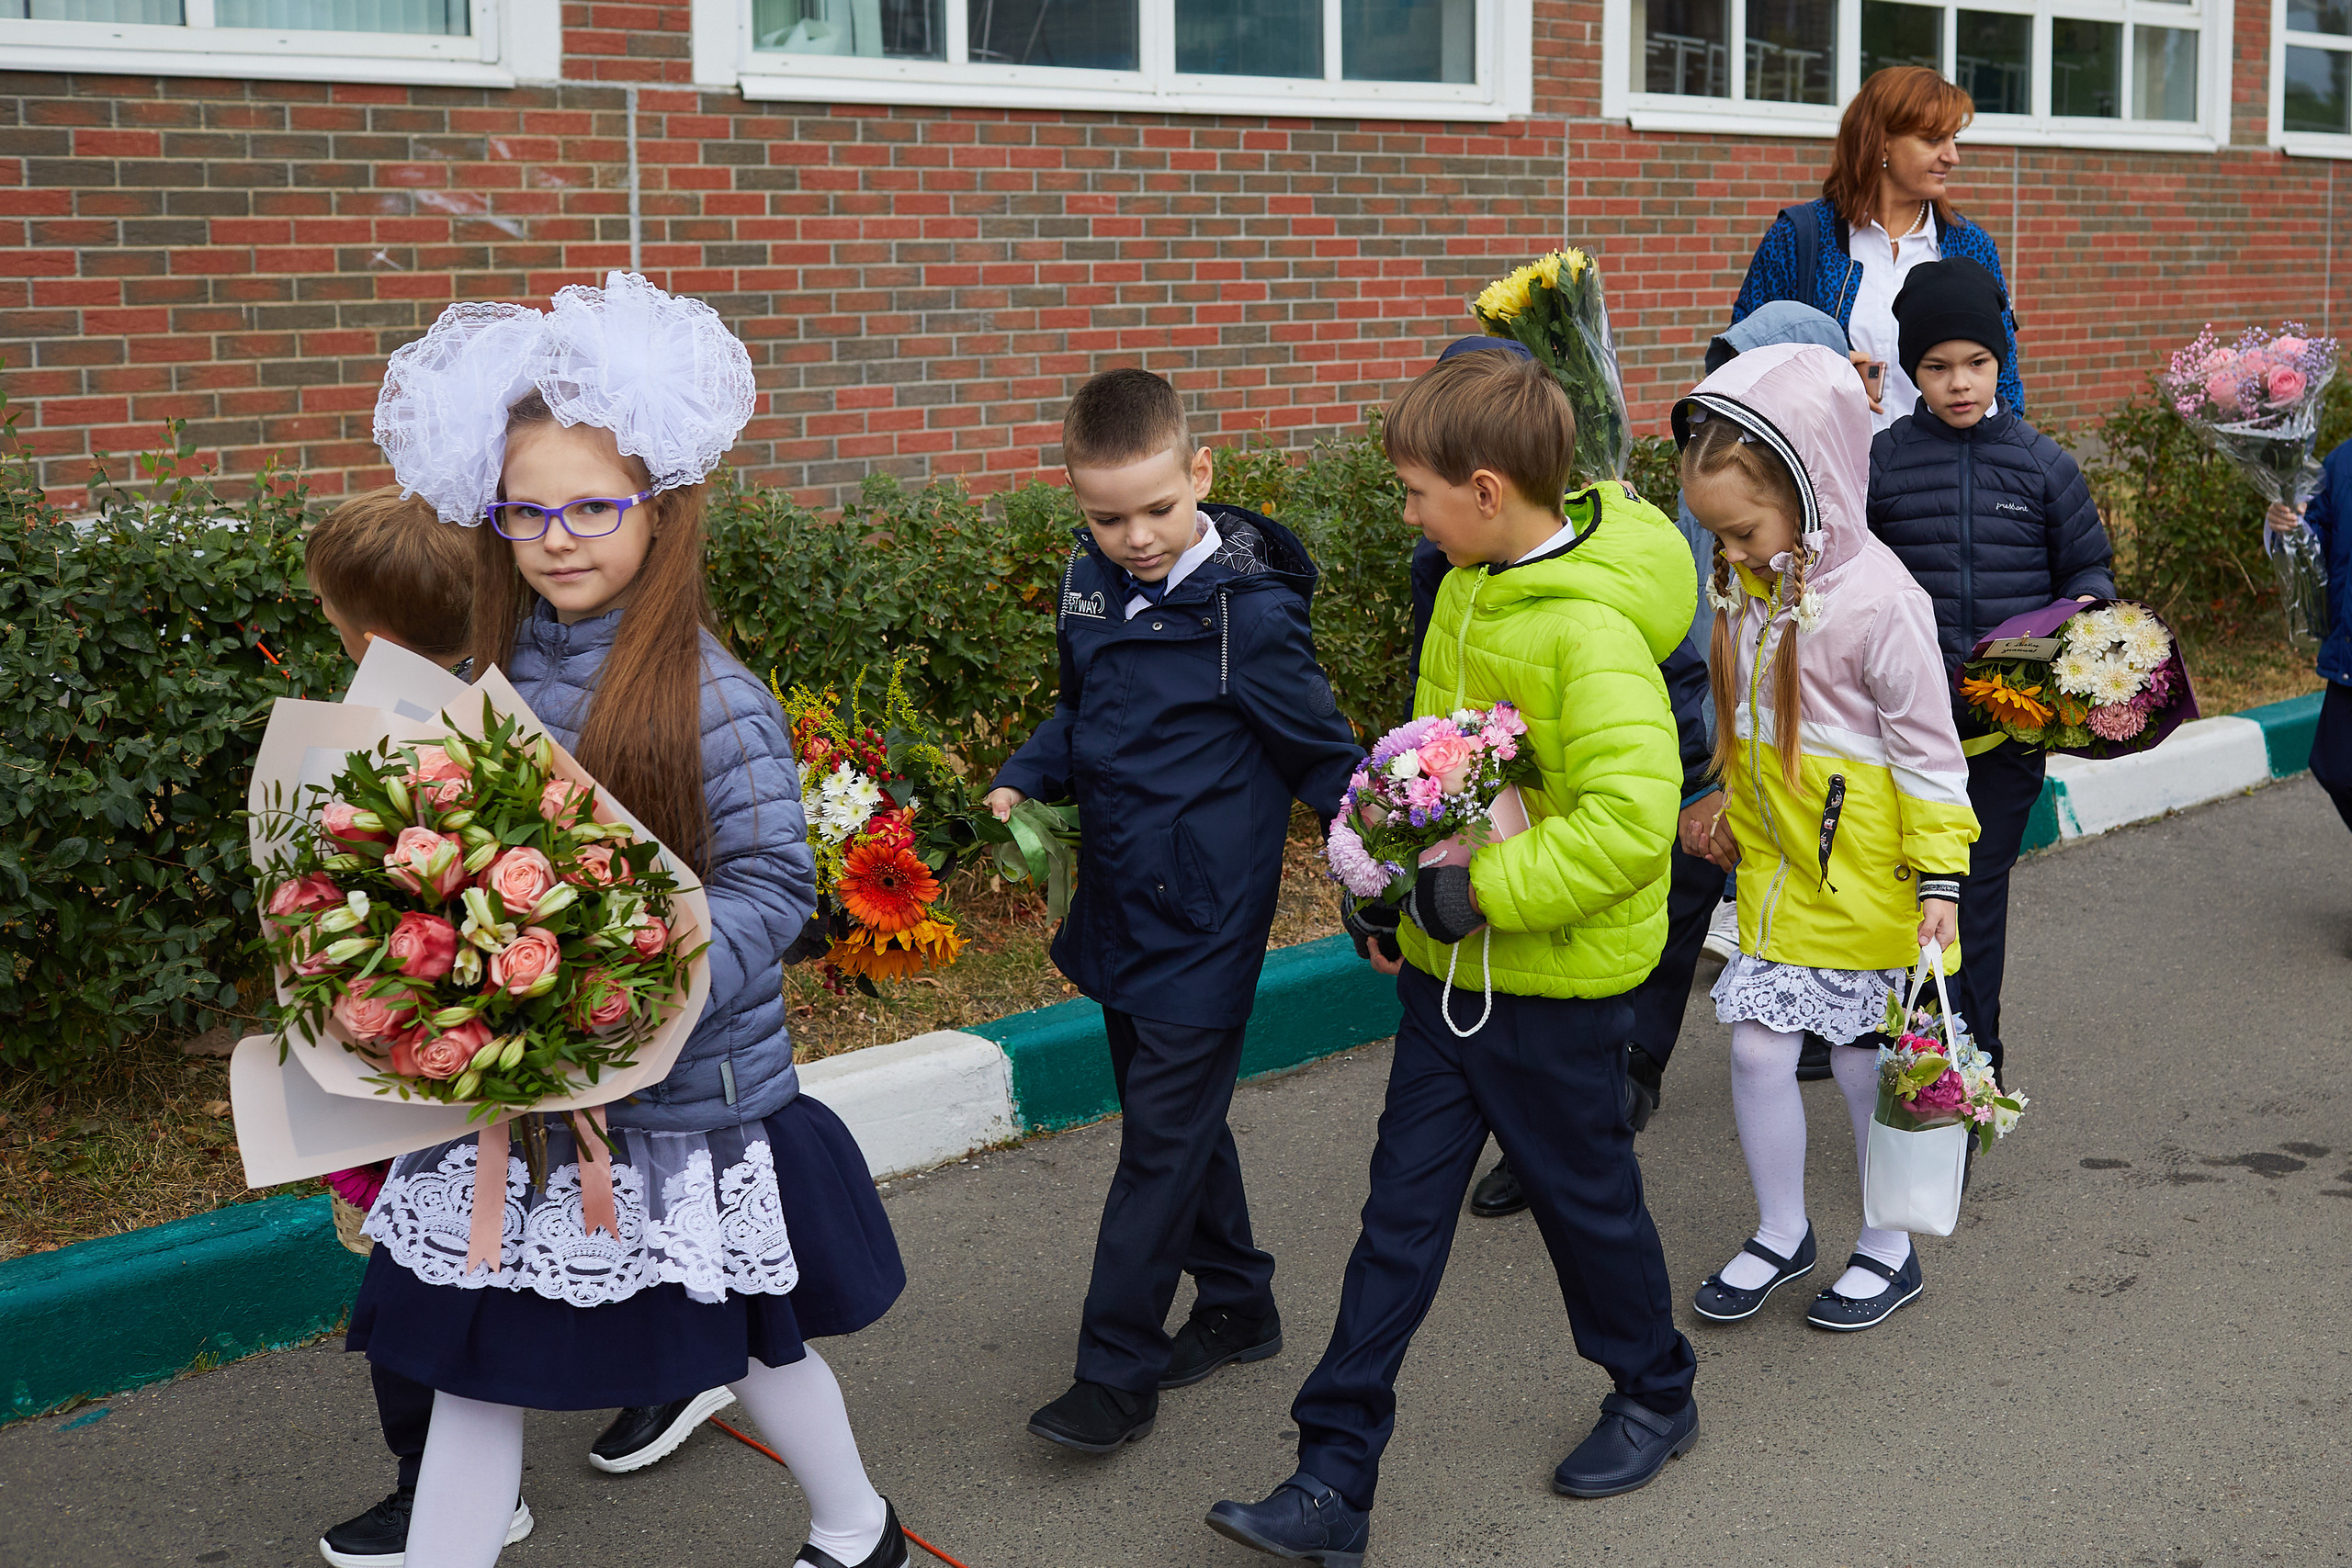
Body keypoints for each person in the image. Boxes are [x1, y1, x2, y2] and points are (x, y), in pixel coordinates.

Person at [348, 274, 910, 1568]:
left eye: (593, 506)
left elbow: (775, 885)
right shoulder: (490, 676)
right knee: (472, 1356)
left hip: (685, 1099)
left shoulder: (714, 694)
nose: (559, 536)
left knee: (754, 1338)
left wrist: (625, 988)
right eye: (527, 509)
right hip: (520, 1098)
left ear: (658, 511)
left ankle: (854, 1522)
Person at [1207, 349, 1698, 1566]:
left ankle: (1657, 1388)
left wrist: (1475, 888)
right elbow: (1438, 763)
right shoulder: (1470, 587)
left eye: (1418, 491)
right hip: (1450, 977)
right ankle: (1334, 1474)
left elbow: (1634, 826)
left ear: (1487, 489)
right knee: (1399, 1218)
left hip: (1557, 988)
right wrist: (1389, 886)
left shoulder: (1590, 628)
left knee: (1590, 1211)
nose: (1408, 512)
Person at [985, 367, 1363, 1455]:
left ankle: (1115, 1374)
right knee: (1179, 1123)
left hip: (1205, 921)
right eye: (1106, 517)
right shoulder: (1090, 586)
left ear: (1202, 472)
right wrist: (1025, 772)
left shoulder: (1249, 619)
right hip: (1115, 903)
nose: (1135, 537)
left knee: (1154, 1147)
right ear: (1076, 502)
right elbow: (1080, 711)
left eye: (1156, 508)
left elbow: (1321, 758)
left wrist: (1394, 857)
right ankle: (1240, 1303)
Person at [1675, 342, 1980, 1334]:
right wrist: (1728, 797)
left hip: (1866, 877)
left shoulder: (1881, 602)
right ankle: (1781, 1229)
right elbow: (1757, 727)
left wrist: (1940, 877)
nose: (1727, 553)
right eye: (1716, 535)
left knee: (1859, 1062)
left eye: (1742, 530)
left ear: (1815, 491)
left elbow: (1931, 755)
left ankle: (1888, 1246)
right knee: (1759, 1052)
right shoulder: (1755, 586)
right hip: (1776, 871)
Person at [1869, 257, 2113, 1085]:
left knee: (1975, 902)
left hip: (2003, 741)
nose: (1959, 383)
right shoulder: (1884, 464)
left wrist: (2073, 619)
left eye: (1976, 363)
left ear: (2001, 361)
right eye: (1936, 367)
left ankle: (1968, 1075)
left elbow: (2090, 572)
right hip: (1902, 736)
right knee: (1908, 904)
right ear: (1913, 371)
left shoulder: (2044, 467)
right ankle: (1911, 1063)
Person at [1731, 65, 2023, 434]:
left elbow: (2006, 383)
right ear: (1882, 141)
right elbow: (1741, 361)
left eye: (1954, 139)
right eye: (1934, 140)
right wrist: (1821, 372)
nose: (1952, 156)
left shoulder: (1971, 247)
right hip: (1825, 477)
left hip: (1938, 482)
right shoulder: (1800, 239)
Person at [2268, 435, 2352, 832]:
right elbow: (2314, 542)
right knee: (2336, 768)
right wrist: (2288, 524)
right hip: (2350, 649)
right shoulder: (2343, 461)